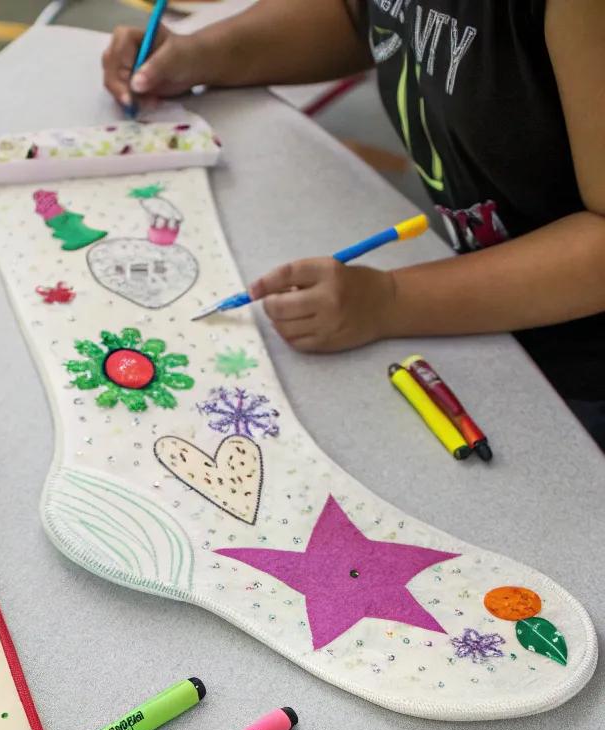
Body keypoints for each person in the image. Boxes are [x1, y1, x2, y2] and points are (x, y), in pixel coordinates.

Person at [102, 0, 605, 447]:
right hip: (486, 303)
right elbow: (358, 17)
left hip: (578, 367)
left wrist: (391, 300)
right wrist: (207, 53)